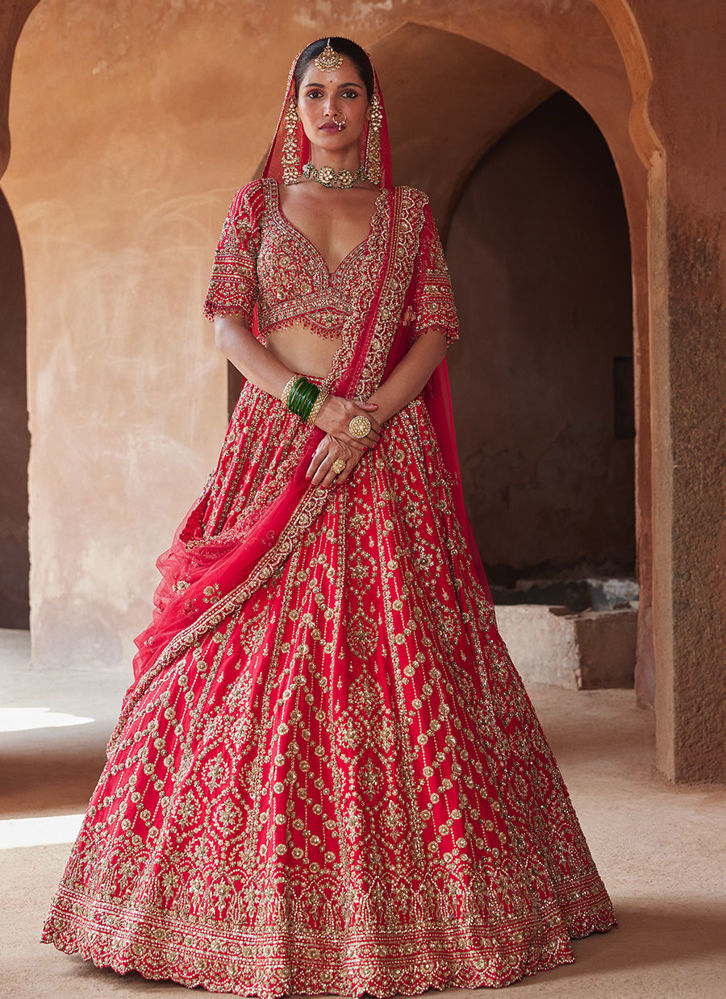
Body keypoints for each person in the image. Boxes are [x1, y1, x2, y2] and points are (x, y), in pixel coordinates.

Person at [41, 36, 617, 997]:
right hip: (279, 452)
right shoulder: (255, 207)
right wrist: (314, 409)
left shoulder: (408, 214)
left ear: (373, 109)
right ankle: (198, 909)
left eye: (349, 92)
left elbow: (435, 330)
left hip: (390, 465)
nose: (332, 107)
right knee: (229, 665)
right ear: (294, 105)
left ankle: (432, 909)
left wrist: (369, 416)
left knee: (408, 664)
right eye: (316, 92)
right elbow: (229, 325)